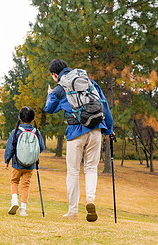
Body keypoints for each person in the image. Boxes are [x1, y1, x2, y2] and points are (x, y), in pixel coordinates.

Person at [45, 59, 114, 222]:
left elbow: (49, 109)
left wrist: (50, 94)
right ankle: (90, 199)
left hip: (75, 131)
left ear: (55, 75)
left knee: (73, 171)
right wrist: (109, 130)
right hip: (97, 128)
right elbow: (104, 104)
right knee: (91, 168)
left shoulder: (59, 88)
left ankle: (73, 211)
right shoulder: (88, 81)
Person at [4, 106, 45, 217]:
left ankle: (14, 201)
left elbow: (10, 148)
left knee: (14, 181)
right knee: (25, 185)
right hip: (30, 165)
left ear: (20, 117)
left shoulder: (16, 131)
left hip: (17, 164)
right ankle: (23, 209)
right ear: (33, 118)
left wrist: (6, 160)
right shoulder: (36, 131)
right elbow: (41, 147)